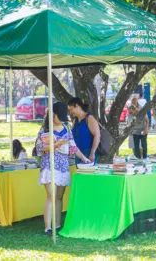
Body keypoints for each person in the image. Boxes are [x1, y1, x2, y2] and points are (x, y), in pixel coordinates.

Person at [36, 102, 90, 235]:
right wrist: (57, 144)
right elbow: (40, 149)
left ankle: (57, 224)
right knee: (51, 195)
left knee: (59, 196)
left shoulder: (66, 127)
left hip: (63, 166)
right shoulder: (44, 130)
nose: (62, 119)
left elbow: (73, 147)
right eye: (59, 116)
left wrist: (84, 158)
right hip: (49, 165)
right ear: (53, 115)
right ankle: (47, 227)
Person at [67, 97, 100, 164]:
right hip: (78, 154)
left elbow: (97, 135)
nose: (70, 112)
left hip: (88, 153)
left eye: (71, 109)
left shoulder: (89, 118)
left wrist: (92, 153)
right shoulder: (75, 120)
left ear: (77, 106)